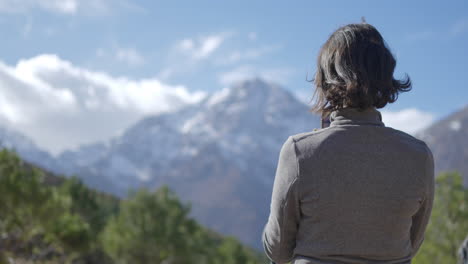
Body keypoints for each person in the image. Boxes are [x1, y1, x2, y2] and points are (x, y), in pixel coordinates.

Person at [262, 22, 435, 264]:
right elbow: (412, 243)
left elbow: (278, 250)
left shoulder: (300, 151)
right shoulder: (419, 156)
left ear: (326, 78)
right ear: (385, 75)